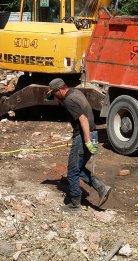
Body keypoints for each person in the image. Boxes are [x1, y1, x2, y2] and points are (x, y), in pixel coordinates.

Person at [47, 78, 111, 211]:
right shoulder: (76, 92)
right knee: (79, 167)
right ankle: (101, 188)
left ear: (59, 90)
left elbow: (84, 120)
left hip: (83, 137)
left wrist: (86, 141)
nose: (55, 98)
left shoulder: (69, 100)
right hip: (92, 134)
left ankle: (75, 204)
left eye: (54, 94)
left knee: (72, 171)